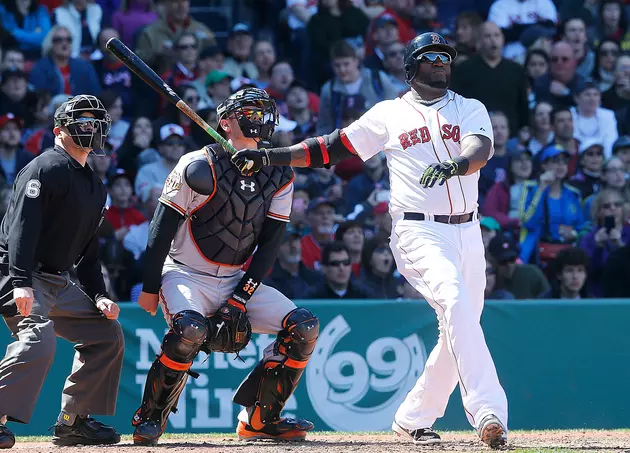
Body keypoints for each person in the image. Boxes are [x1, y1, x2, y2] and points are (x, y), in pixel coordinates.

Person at [231, 32, 508, 449]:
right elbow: (330, 148)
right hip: (419, 228)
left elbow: (480, 148)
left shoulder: (470, 108)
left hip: (469, 229)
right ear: (412, 66)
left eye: (445, 57)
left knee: (461, 324)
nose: (440, 63)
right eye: (431, 56)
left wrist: (458, 164)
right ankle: (488, 411)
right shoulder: (388, 114)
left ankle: (413, 417)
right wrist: (270, 155)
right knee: (454, 302)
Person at [131, 88, 318, 445]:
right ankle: (150, 417)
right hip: (185, 272)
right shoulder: (196, 165)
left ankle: (261, 419)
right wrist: (150, 288)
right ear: (226, 122)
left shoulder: (280, 174)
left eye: (263, 111)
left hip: (236, 277)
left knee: (303, 326)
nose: (259, 117)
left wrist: (240, 298)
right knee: (189, 330)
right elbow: (159, 230)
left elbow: (271, 244)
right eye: (249, 111)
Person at [0, 95, 123, 448]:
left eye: (94, 122)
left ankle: (74, 421)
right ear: (58, 130)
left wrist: (99, 294)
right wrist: (21, 283)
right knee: (38, 338)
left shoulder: (95, 185)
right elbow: (22, 229)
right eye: (82, 122)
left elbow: (88, 251)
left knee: (107, 334)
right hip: (16, 271)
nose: (90, 128)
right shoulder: (45, 168)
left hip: (57, 279)